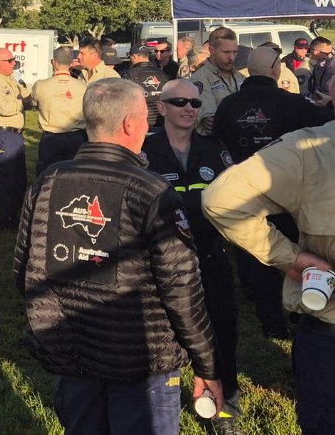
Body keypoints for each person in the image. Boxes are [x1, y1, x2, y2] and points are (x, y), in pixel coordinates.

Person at [14, 79, 223, 435]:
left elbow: (24, 270)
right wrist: (207, 364)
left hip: (71, 352)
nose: (148, 125)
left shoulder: (48, 180)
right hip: (139, 365)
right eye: (147, 117)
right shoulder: (151, 190)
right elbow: (182, 290)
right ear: (129, 124)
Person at [202, 72, 335, 435]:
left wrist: (291, 258)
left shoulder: (310, 148)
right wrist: (291, 258)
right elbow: (222, 200)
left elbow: (221, 200)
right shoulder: (310, 149)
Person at [142, 79, 241, 432]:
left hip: (210, 256)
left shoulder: (215, 149)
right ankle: (152, 408)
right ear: (162, 108)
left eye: (196, 104)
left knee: (222, 332)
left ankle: (223, 406)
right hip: (158, 261)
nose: (189, 108)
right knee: (158, 337)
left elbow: (235, 200)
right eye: (180, 101)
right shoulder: (143, 150)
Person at [212, 45, 331, 340]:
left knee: (258, 258)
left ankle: (270, 321)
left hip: (246, 192)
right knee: (298, 253)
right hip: (288, 195)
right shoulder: (290, 103)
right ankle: (299, 309)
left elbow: (217, 141)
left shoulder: (228, 104)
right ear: (276, 69)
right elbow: (324, 128)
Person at [0, 48, 31, 229]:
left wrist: (22, 99)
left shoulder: (9, 79)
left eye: (13, 60)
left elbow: (27, 96)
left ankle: (15, 214)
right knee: (6, 178)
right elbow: (5, 108)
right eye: (9, 60)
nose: (13, 63)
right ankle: (3, 219)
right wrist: (20, 101)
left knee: (19, 178)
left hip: (14, 134)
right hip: (3, 134)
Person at [30, 46, 87, 174]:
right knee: (74, 173)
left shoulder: (40, 85)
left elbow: (34, 104)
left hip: (51, 138)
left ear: (53, 62)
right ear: (71, 63)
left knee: (47, 174)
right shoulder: (83, 86)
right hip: (76, 137)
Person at [190, 27, 244, 135]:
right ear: (211, 51)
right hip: (213, 146)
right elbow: (211, 124)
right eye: (226, 52)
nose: (231, 57)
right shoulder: (200, 79)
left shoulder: (240, 77)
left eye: (235, 52)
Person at [121, 43, 170, 129]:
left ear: (134, 57)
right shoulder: (163, 74)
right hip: (162, 122)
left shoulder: (128, 75)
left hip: (139, 123)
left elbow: (125, 101)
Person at [307, 36, 333, 107]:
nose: (330, 56)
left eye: (331, 52)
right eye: (327, 54)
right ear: (316, 52)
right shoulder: (319, 66)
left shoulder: (319, 65)